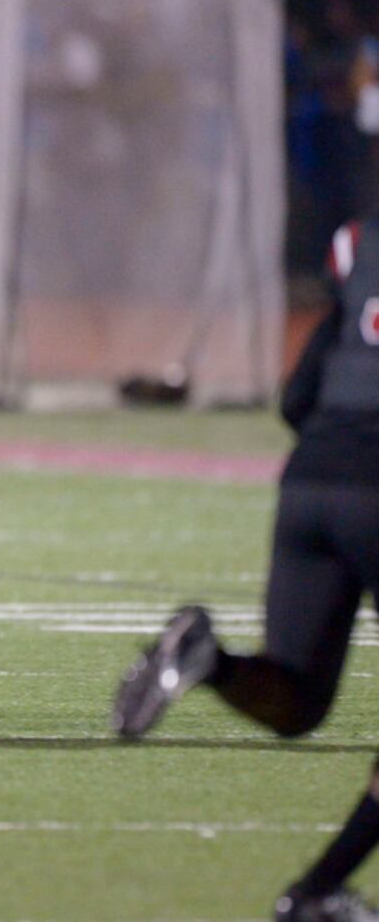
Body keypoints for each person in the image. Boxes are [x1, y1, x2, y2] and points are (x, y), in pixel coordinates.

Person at [112, 218, 379, 920]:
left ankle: (211, 659)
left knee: (296, 701)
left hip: (313, 483)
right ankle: (315, 892)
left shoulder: (367, 243)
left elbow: (298, 399)